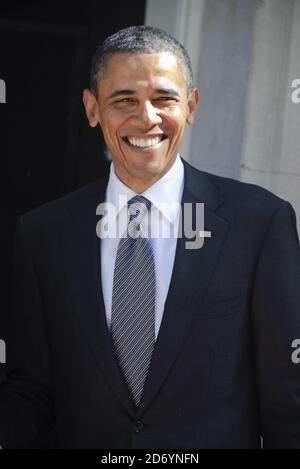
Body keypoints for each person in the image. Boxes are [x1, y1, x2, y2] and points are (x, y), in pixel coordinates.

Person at [0, 25, 300, 449]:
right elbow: (30, 389)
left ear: (191, 105)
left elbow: (289, 399)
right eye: (124, 100)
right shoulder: (42, 235)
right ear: (92, 108)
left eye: (164, 99)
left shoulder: (260, 224)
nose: (147, 118)